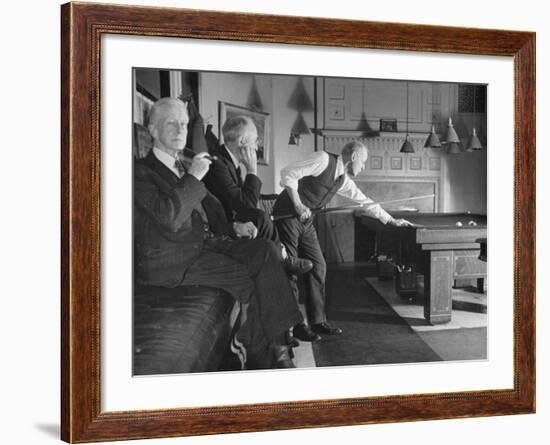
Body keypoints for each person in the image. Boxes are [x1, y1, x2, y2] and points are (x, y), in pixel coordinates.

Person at [134, 97, 303, 369]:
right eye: (171, 124)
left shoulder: (181, 165)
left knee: (265, 251)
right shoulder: (140, 172)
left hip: (203, 246)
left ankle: (276, 351)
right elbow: (169, 217)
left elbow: (208, 210)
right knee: (256, 281)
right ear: (152, 129)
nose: (180, 130)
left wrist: (233, 227)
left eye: (184, 124)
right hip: (173, 262)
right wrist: (194, 177)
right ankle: (272, 357)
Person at [273, 141, 412, 342]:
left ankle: (317, 321)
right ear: (353, 157)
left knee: (318, 266)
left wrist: (390, 220)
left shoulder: (341, 179)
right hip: (286, 216)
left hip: (305, 221)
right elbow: (288, 173)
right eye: (363, 162)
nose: (363, 167)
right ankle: (295, 327)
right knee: (292, 269)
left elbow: (364, 201)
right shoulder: (323, 159)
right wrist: (298, 205)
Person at [203, 115, 312, 276]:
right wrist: (252, 171)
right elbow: (246, 206)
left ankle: (282, 260)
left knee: (261, 218)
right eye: (255, 140)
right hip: (221, 229)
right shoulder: (218, 165)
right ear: (241, 142)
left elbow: (244, 203)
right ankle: (283, 261)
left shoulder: (229, 163)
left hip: (233, 220)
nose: (257, 146)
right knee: (259, 216)